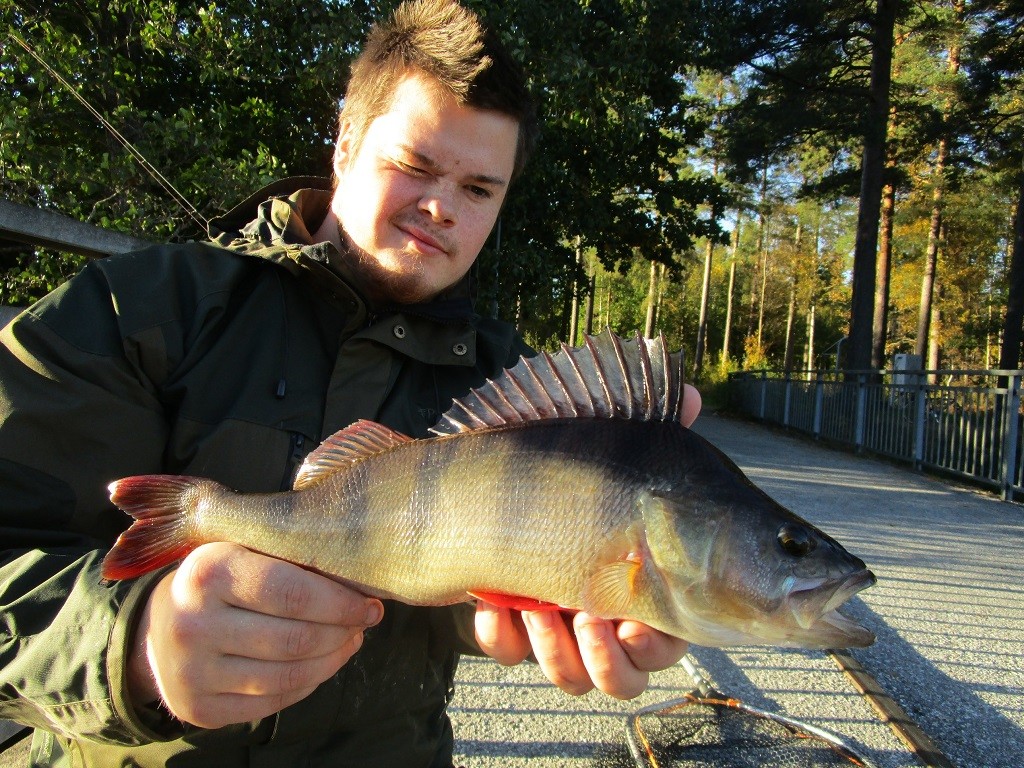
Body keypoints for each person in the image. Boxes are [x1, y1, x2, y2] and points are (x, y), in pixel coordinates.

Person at [0, 1, 699, 765]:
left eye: (479, 189)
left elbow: (464, 585)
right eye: (417, 165)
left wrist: (560, 597)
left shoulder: (512, 380)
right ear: (344, 146)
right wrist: (129, 647)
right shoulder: (135, 307)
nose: (441, 207)